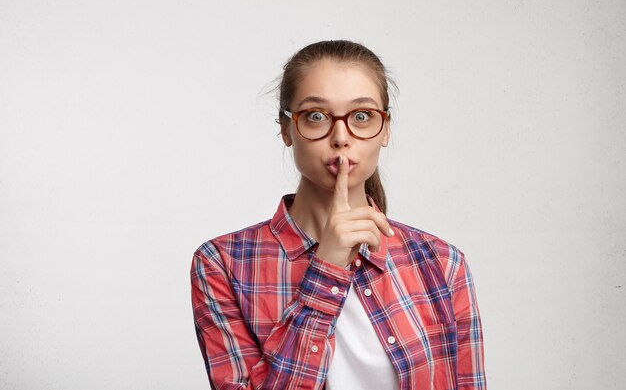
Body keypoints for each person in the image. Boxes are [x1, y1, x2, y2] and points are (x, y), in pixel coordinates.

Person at [190, 40, 486, 390]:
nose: (341, 137)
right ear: (287, 129)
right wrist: (326, 269)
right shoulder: (222, 263)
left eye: (362, 116)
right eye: (316, 117)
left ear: (386, 128)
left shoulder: (442, 262)